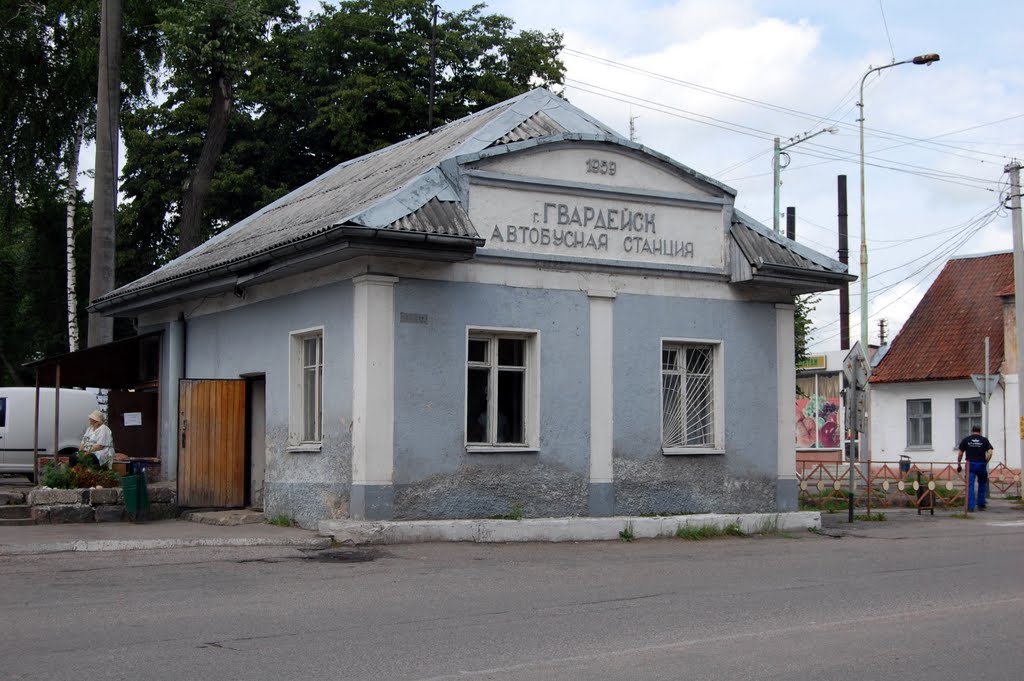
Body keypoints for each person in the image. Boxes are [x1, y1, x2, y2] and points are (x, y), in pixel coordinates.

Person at [957, 425, 993, 511]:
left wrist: (959, 463)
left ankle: (970, 507)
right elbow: (990, 452)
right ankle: (981, 505)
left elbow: (960, 453)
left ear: (972, 431)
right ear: (980, 431)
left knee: (970, 485)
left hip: (971, 465)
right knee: (982, 484)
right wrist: (986, 461)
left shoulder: (966, 439)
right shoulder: (984, 440)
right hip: (981, 464)